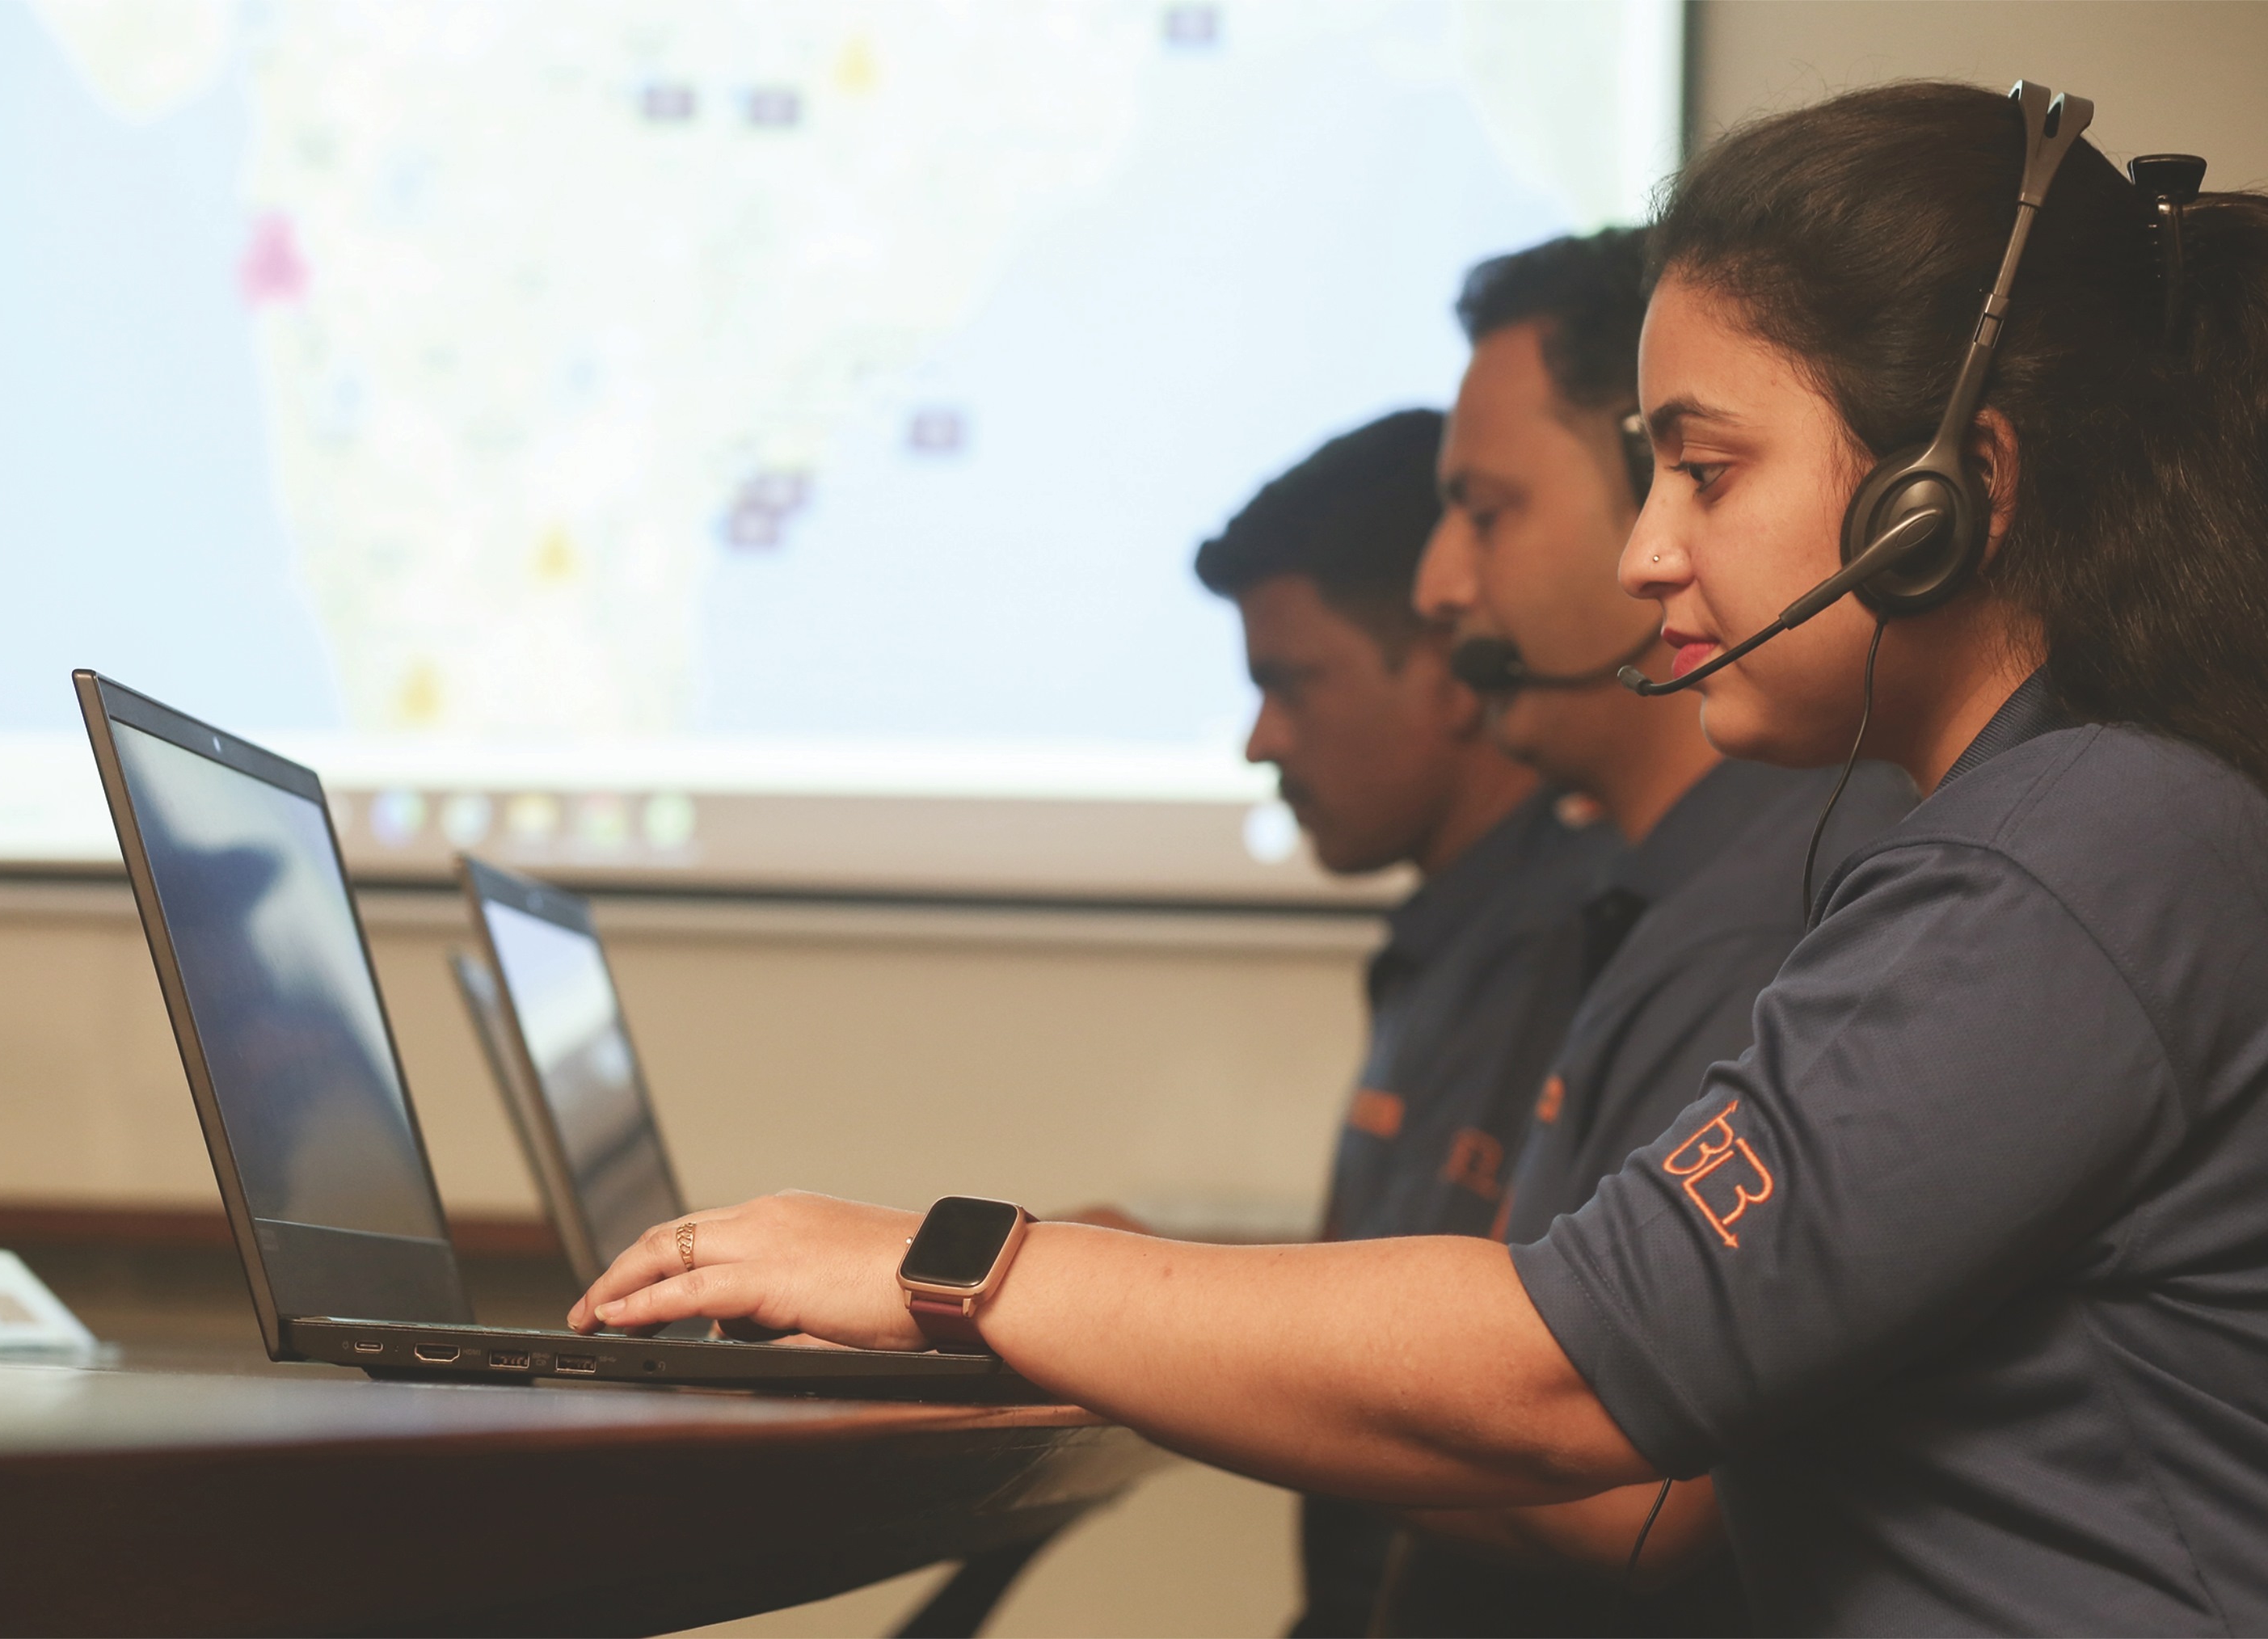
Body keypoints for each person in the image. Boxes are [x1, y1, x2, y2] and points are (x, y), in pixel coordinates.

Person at [570, 81, 2268, 1634]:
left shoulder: (2079, 854)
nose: (1649, 553)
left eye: (1703, 470)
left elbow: (1568, 1377)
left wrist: (949, 1265)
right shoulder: (2043, 830)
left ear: (1945, 497)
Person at [1392, 232, 1914, 1631]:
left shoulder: (1794, 901)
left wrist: (1129, 1347)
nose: (1440, 587)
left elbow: (1621, 1492)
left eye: (1487, 512)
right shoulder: (1625, 895)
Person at [1192, 408, 1615, 1635]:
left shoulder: (1573, 946)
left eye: (1291, 683)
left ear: (1443, 667)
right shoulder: (1440, 946)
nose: (1261, 740)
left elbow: (1451, 1403)